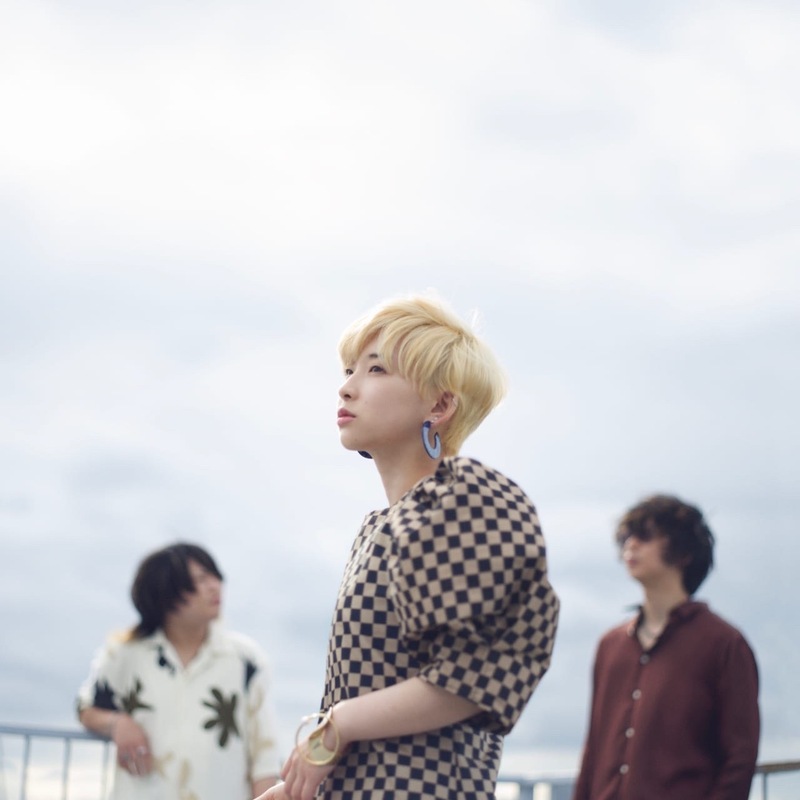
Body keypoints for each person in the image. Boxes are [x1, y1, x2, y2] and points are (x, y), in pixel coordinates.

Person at [258, 293, 560, 800]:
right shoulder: (380, 527)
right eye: (350, 369)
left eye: (376, 369)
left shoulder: (461, 507)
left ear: (440, 406)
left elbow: (474, 678)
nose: (347, 386)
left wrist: (338, 723)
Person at [572, 494, 760, 800]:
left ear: (684, 553)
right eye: (626, 537)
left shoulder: (724, 644)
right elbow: (593, 748)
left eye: (645, 535)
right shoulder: (610, 646)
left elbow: (740, 757)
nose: (631, 545)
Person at [76, 542, 281, 800]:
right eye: (200, 579)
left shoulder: (245, 660)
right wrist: (117, 724)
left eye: (215, 576)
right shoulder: (124, 655)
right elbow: (85, 708)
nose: (215, 585)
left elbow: (264, 754)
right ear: (165, 593)